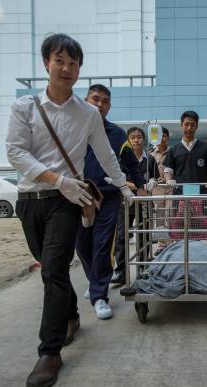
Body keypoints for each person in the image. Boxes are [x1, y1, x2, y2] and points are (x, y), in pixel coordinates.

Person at [6, 33, 133, 387]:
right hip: (31, 199)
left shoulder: (88, 113)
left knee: (55, 269)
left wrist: (123, 185)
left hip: (67, 202)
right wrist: (56, 178)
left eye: (74, 63)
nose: (67, 68)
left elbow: (106, 155)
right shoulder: (25, 107)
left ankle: (49, 351)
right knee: (52, 270)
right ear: (46, 62)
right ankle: (72, 314)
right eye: (60, 60)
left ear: (79, 70)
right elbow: (15, 153)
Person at [75, 84, 143, 320]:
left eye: (105, 101)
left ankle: (99, 296)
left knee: (103, 245)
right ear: (85, 100)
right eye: (95, 99)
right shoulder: (72, 128)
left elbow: (132, 164)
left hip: (109, 196)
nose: (100, 104)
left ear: (109, 106)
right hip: (78, 195)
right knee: (82, 245)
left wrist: (139, 187)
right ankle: (94, 279)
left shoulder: (117, 134)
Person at [111, 127, 149, 285]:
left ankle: (143, 269)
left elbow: (156, 178)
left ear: (144, 139)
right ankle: (121, 272)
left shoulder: (150, 160)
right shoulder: (120, 158)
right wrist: (137, 186)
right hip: (124, 202)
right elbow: (117, 178)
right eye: (132, 137)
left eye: (139, 137)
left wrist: (151, 184)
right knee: (122, 236)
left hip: (144, 203)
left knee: (144, 235)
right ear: (128, 140)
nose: (136, 140)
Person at [163, 111, 207, 188]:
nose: (189, 128)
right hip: (180, 194)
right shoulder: (173, 149)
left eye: (192, 125)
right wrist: (168, 180)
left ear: (197, 126)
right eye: (186, 124)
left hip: (200, 193)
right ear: (181, 125)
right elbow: (168, 170)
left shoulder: (206, 147)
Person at [144, 127, 173, 256]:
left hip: (171, 190)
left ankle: (172, 245)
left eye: (165, 136)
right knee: (160, 219)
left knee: (171, 216)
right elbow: (148, 173)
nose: (162, 139)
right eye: (160, 136)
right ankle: (162, 245)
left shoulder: (173, 152)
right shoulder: (150, 154)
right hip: (157, 191)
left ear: (168, 137)